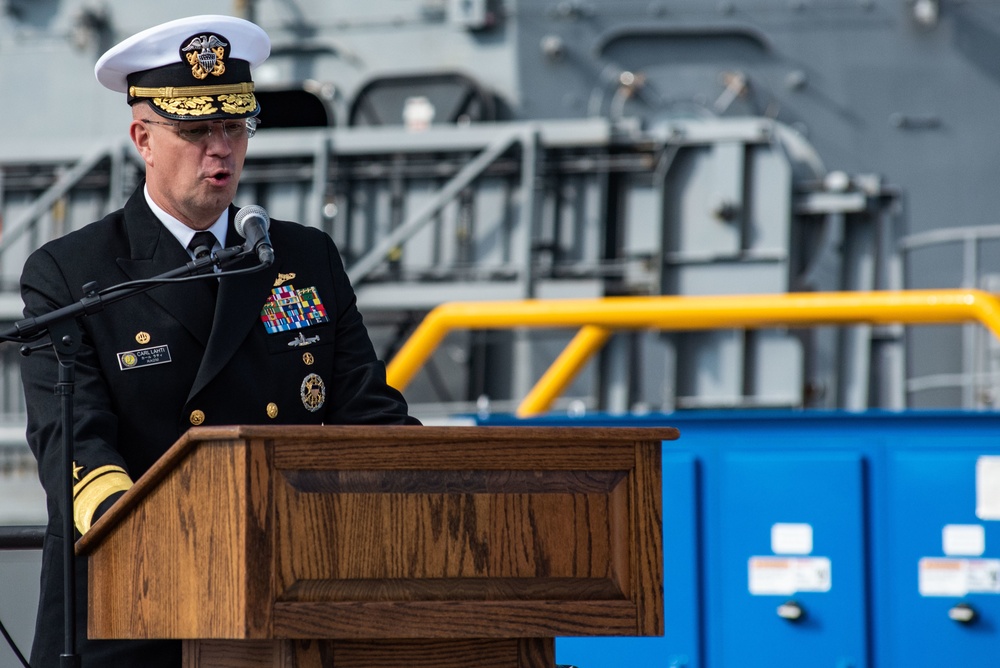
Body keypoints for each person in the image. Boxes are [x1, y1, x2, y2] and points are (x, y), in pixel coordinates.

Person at [19, 14, 419, 667]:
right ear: (142, 138)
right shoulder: (72, 274)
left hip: (285, 609)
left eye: (234, 127)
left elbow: (366, 415)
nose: (221, 149)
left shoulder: (302, 257)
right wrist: (168, 540)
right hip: (137, 617)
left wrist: (442, 484)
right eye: (196, 130)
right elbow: (77, 449)